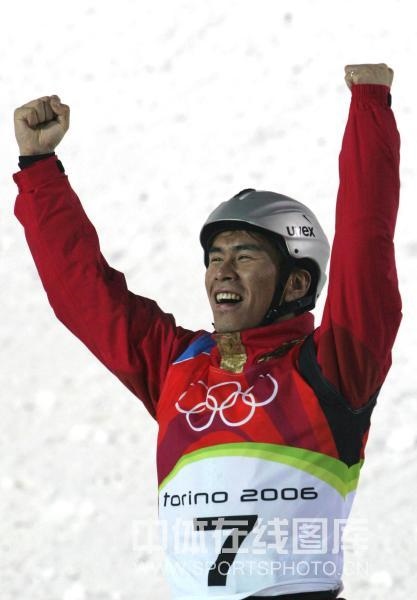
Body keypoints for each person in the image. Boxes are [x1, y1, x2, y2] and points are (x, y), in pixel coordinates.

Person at [13, 63, 401, 600]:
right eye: (215, 257)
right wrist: (38, 168)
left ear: (295, 283)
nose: (222, 272)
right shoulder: (177, 364)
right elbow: (84, 293)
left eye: (245, 256)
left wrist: (370, 103)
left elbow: (366, 239)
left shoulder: (334, 367)